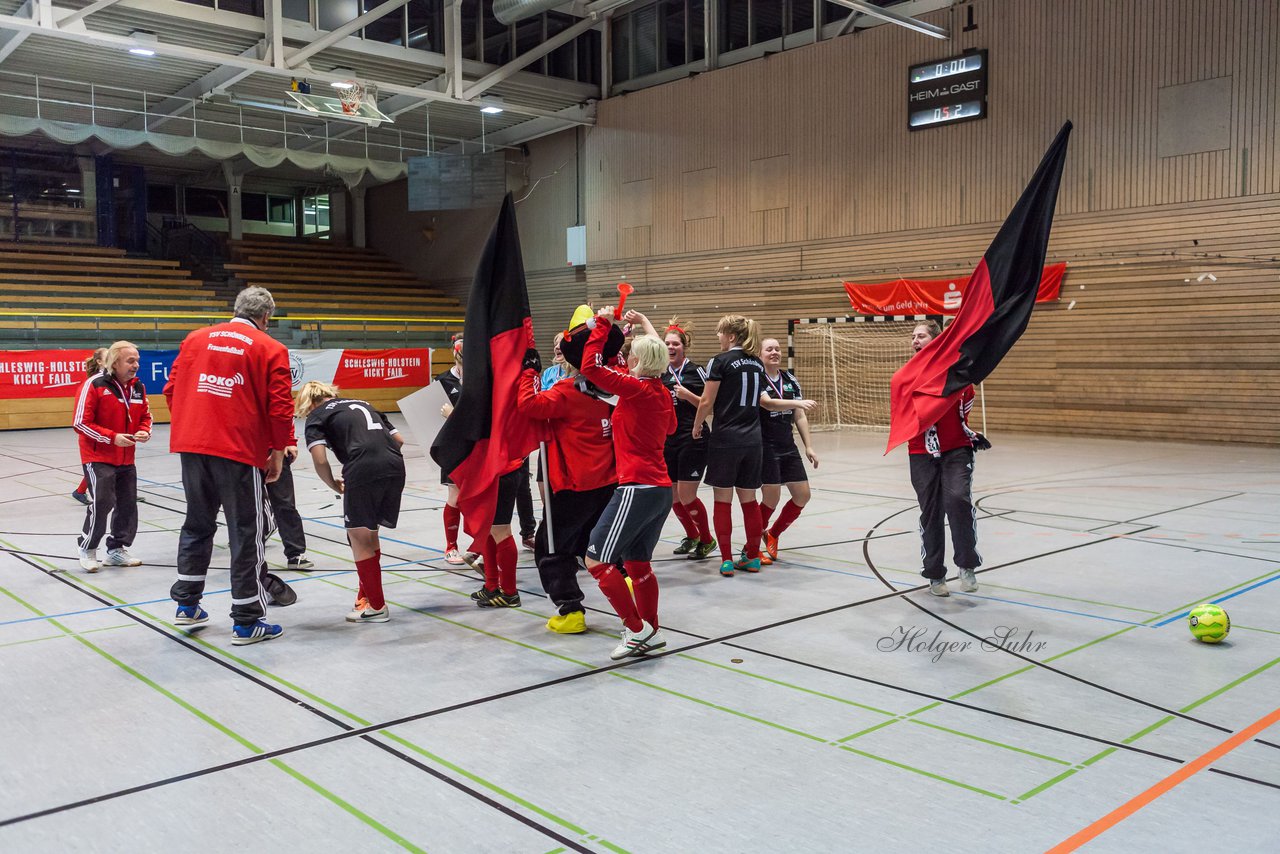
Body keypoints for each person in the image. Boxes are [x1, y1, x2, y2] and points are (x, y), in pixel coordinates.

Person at [164, 287, 295, 645]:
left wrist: (194, 425)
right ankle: (247, 619)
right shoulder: (270, 348)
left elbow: (172, 389)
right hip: (237, 451)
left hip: (193, 447)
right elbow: (280, 408)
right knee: (246, 532)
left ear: (235, 309)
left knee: (197, 523)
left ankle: (186, 604)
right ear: (266, 317)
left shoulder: (195, 339)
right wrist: (278, 450)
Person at [578, 306, 676, 660]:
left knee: (596, 559)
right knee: (638, 564)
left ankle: (636, 629)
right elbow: (670, 430)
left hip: (636, 487)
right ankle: (652, 629)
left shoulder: (635, 388)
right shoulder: (660, 393)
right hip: (660, 490)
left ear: (636, 360)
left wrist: (603, 324)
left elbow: (590, 367)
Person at [515, 322, 617, 634]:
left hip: (574, 486)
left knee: (550, 549)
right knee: (596, 547)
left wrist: (529, 373)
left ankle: (570, 609)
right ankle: (631, 591)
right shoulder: (614, 386)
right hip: (607, 483)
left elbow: (528, 404)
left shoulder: (567, 392)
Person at [296, 381, 406, 622]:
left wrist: (332, 483)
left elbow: (320, 460)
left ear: (309, 403)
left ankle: (377, 607)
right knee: (370, 532)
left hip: (362, 468)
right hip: (395, 466)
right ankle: (365, 597)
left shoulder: (317, 415)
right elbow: (399, 440)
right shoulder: (363, 403)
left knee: (357, 536)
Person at [626, 311, 715, 560]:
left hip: (693, 438)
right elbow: (653, 342)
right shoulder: (661, 370)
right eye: (667, 344)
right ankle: (693, 535)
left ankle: (707, 539)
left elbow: (710, 406)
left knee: (687, 495)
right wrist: (643, 322)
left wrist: (689, 396)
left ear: (684, 347)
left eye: (675, 343)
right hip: (668, 439)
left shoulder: (696, 372)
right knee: (673, 496)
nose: (671, 347)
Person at [906, 320, 982, 597]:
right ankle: (935, 574)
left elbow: (966, 401)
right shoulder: (908, 375)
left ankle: (967, 564)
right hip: (920, 452)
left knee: (958, 499)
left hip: (956, 448)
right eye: (913, 336)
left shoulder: (957, 373)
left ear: (936, 340)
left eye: (921, 335)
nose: (915, 340)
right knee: (932, 511)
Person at [692, 315, 766, 578]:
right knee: (749, 500)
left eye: (720, 333)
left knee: (722, 500)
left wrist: (697, 425)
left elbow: (705, 401)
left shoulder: (720, 361)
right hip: (753, 440)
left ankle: (726, 560)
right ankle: (753, 558)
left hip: (726, 439)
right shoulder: (757, 363)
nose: (718, 337)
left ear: (731, 336)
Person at [72, 340, 151, 572]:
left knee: (127, 504)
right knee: (103, 502)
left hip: (127, 457)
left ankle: (116, 550)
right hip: (98, 457)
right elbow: (80, 423)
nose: (136, 365)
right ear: (115, 362)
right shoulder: (94, 385)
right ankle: (87, 548)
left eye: (137, 360)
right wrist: (112, 437)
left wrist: (145, 430)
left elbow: (146, 415)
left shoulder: (137, 387)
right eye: (130, 360)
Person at [757, 338, 819, 564]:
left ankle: (772, 534)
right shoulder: (758, 378)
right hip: (764, 444)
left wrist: (809, 446)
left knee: (803, 495)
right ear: (760, 353)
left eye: (777, 349)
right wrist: (797, 404)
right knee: (771, 497)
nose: (774, 352)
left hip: (787, 445)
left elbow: (799, 416)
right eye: (769, 349)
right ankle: (751, 544)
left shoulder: (790, 379)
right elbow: (768, 403)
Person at [436, 336, 473, 566]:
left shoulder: (478, 379)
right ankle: (451, 546)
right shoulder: (442, 381)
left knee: (476, 497)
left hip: (474, 446)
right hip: (452, 447)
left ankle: (477, 544)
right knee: (456, 497)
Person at [265, 432, 314, 571]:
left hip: (274, 448)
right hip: (244, 449)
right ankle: (247, 556)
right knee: (244, 504)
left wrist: (289, 440)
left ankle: (295, 554)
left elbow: (283, 413)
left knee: (285, 503)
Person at [72, 347, 108, 506]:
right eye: (108, 357)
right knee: (98, 467)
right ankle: (80, 491)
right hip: (95, 435)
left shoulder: (119, 383)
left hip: (111, 433)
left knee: (112, 466)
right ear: (99, 361)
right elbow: (81, 421)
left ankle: (125, 491)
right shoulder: (92, 384)